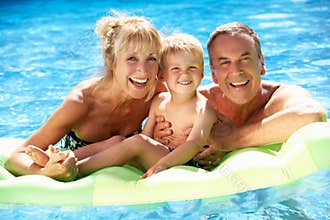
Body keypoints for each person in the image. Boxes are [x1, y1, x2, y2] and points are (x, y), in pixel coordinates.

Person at [25, 33, 218, 178]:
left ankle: (74, 170)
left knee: (136, 143)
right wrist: (148, 145)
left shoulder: (204, 107)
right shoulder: (159, 100)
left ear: (202, 73)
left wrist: (164, 164)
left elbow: (194, 144)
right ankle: (64, 159)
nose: (184, 75)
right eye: (176, 69)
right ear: (162, 75)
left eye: (192, 68)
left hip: (185, 162)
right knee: (119, 141)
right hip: (159, 156)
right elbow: (146, 135)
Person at [4, 12, 164, 181]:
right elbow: (16, 158)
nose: (144, 70)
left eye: (151, 58)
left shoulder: (155, 92)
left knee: (117, 142)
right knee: (116, 142)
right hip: (76, 159)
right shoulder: (81, 102)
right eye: (132, 58)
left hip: (122, 156)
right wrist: (45, 173)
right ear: (111, 60)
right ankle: (59, 164)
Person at [154, 22, 327, 169]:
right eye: (225, 62)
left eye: (245, 59)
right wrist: (160, 137)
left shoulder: (279, 98)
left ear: (262, 63)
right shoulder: (195, 104)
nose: (236, 71)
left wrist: (231, 140)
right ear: (213, 73)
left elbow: (311, 116)